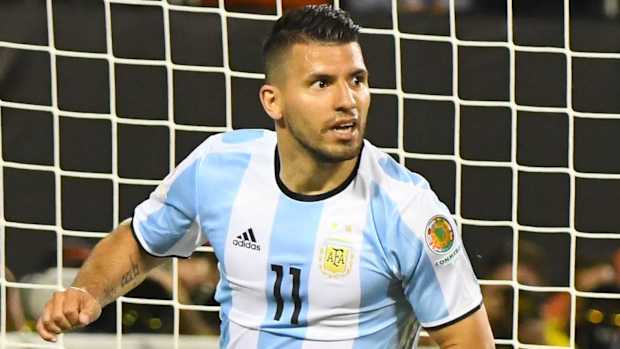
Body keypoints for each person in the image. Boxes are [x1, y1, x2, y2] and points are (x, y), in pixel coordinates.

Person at [36, 5, 494, 348]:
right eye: (322, 83)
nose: (347, 101)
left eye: (356, 80)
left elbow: (469, 341)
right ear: (272, 101)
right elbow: (138, 239)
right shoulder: (219, 167)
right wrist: (87, 291)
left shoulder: (408, 210)